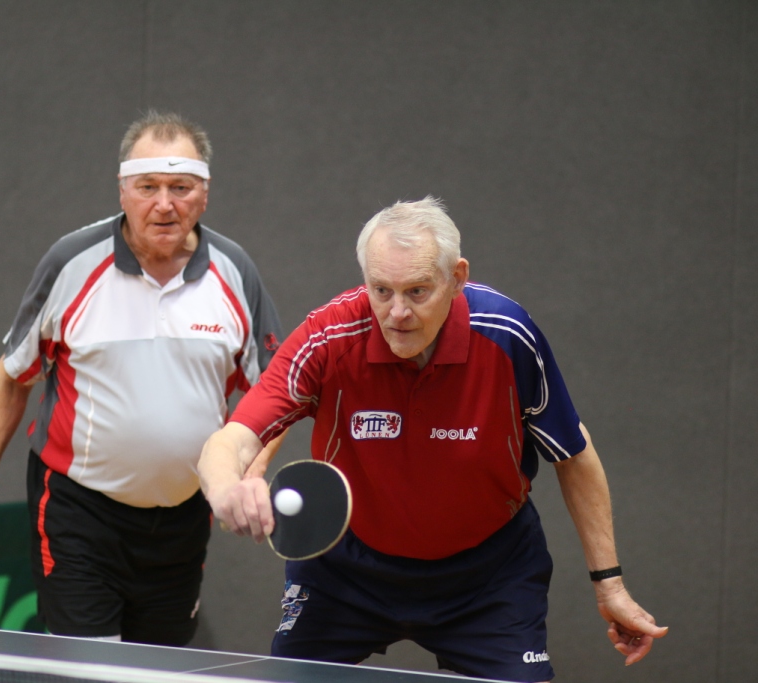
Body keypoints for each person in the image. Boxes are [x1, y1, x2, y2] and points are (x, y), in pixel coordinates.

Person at [198, 198, 667, 682]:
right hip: (346, 569)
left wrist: (609, 585)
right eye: (381, 290)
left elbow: (573, 456)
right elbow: (231, 440)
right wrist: (225, 489)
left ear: (457, 278)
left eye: (417, 291)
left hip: (488, 576)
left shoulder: (507, 334)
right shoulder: (328, 337)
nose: (397, 312)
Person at [0, 111, 283, 646]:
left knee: (160, 670)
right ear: (123, 191)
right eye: (148, 186)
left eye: (180, 187)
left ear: (204, 193)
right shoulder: (72, 263)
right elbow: (12, 378)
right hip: (79, 514)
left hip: (183, 519)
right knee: (91, 671)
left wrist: (250, 472)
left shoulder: (235, 271)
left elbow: (275, 392)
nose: (164, 203)